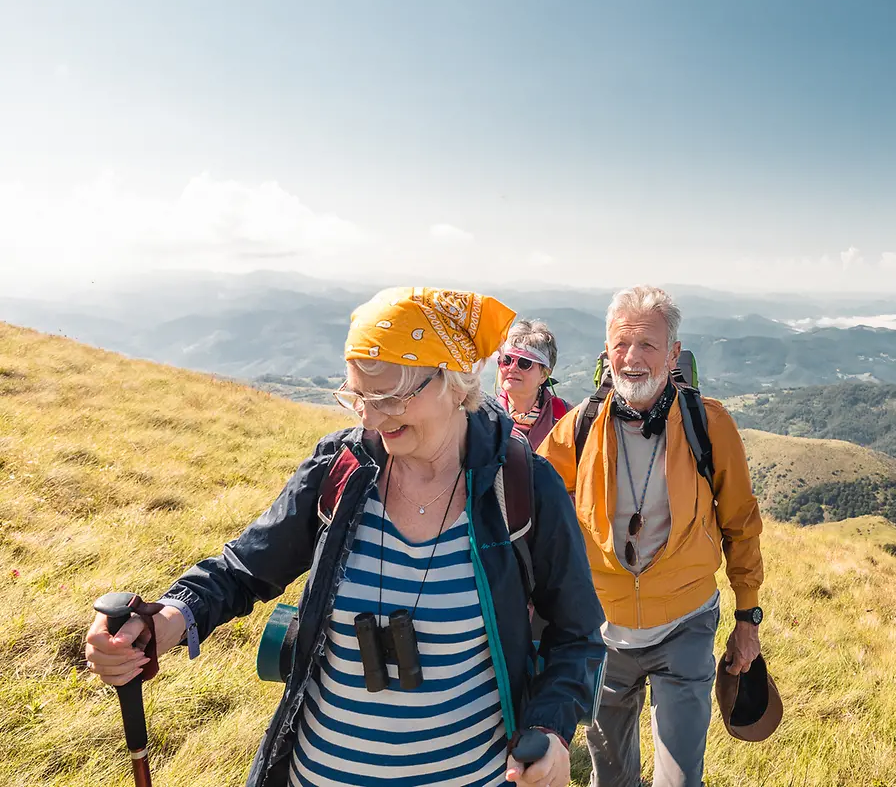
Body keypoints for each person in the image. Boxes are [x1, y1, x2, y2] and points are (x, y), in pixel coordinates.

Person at [84, 287, 605, 787]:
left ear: (455, 381)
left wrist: (551, 727)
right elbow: (244, 569)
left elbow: (577, 634)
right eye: (358, 396)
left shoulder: (520, 488)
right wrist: (165, 621)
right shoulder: (342, 468)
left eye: (391, 396)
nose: (373, 418)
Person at [539, 285, 765, 787]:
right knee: (612, 781)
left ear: (673, 353)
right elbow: (538, 521)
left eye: (647, 345)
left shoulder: (709, 425)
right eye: (621, 345)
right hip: (602, 635)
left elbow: (740, 524)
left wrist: (747, 616)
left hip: (685, 625)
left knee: (680, 781)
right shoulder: (578, 430)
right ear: (605, 352)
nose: (632, 358)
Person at [497, 319, 572, 450]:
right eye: (506, 360)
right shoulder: (484, 416)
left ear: (544, 374)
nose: (512, 368)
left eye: (525, 363)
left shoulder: (566, 418)